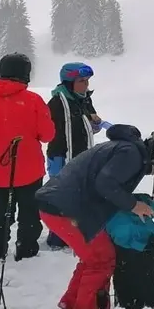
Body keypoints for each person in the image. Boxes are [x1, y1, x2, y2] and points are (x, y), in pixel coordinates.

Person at [35, 125, 154, 309]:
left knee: (95, 257)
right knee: (102, 259)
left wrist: (132, 202)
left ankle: (71, 305)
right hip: (65, 208)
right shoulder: (132, 155)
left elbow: (108, 185)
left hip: (61, 205)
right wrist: (133, 205)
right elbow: (105, 184)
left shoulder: (128, 150)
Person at [0, 53, 56, 261]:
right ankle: (26, 251)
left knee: (2, 212)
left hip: (0, 171)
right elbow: (48, 135)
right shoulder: (33, 100)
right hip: (30, 170)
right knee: (29, 215)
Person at [45, 62, 109, 249]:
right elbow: (50, 131)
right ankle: (57, 238)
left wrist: (95, 124)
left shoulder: (84, 100)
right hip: (61, 156)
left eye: (88, 81)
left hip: (83, 156)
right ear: (69, 82)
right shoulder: (57, 103)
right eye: (82, 81)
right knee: (60, 197)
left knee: (81, 196)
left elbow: (87, 126)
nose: (86, 85)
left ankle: (76, 234)